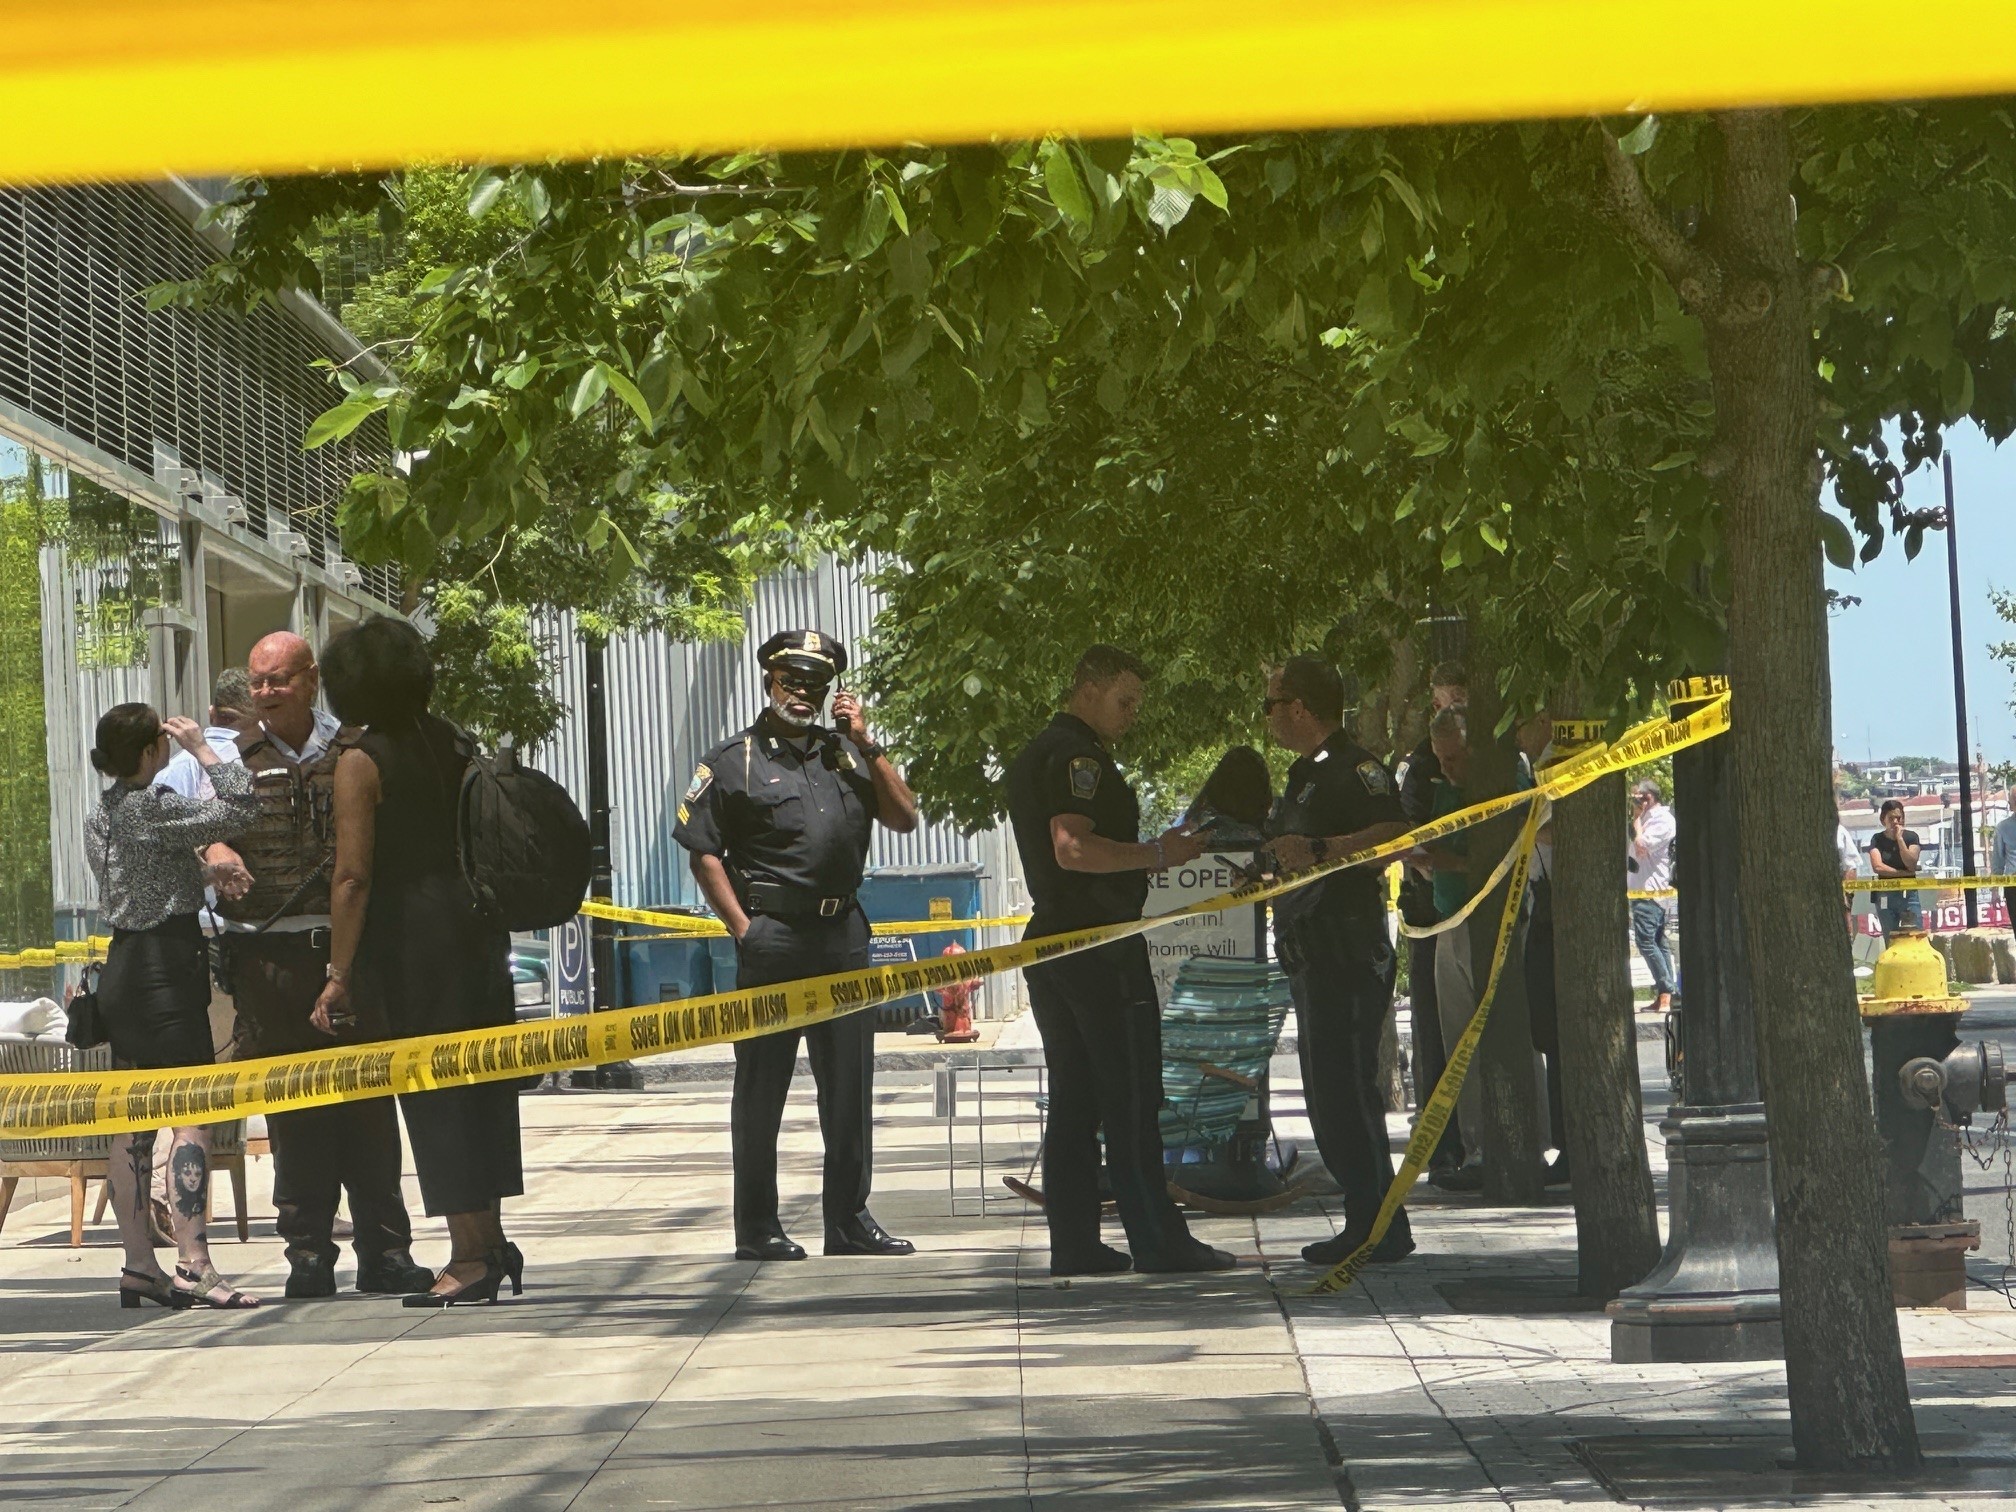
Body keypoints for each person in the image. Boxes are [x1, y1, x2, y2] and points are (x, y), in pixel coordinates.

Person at [674, 629, 922, 1261]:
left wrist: (868, 743)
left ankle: (847, 1219)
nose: (804, 693)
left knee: (850, 1085)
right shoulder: (736, 759)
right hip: (774, 939)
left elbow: (904, 817)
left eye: (816, 683)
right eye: (792, 680)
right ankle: (757, 1226)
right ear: (769, 682)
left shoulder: (847, 755)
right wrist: (743, 929)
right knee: (763, 1087)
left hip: (842, 935)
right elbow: (704, 852)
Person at [206, 634, 433, 1300]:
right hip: (268, 960)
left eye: (278, 680)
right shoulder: (226, 756)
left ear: (311, 681)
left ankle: (386, 1250)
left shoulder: (357, 750)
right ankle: (308, 1253)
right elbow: (194, 829)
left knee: (367, 1104)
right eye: (258, 683)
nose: (267, 693)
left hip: (352, 954)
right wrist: (216, 850)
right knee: (292, 1110)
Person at [313, 617, 524, 1307]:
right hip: (480, 931)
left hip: (414, 945)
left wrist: (339, 974)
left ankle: (468, 1257)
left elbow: (353, 877)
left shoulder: (361, 762)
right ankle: (491, 1238)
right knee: (486, 1090)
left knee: (437, 1098)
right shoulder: (456, 741)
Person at [1006, 645, 1235, 1276]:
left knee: (1076, 1103)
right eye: (1124, 699)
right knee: (1132, 1097)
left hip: (1055, 942)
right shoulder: (1078, 757)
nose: (1133, 713)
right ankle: (1159, 1241)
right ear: (1087, 688)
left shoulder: (1037, 753)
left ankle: (1075, 1242)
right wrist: (1158, 854)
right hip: (1099, 943)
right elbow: (1073, 849)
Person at [83, 703, 261, 1309]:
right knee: (191, 1112)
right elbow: (241, 807)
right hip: (166, 969)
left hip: (123, 966)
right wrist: (204, 751)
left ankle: (139, 1265)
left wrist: (201, 876)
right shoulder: (153, 806)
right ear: (151, 752)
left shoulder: (102, 813)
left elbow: (143, 876)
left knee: (133, 1117)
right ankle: (194, 1262)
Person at [1261, 656, 1414, 1267]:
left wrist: (1322, 847)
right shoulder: (1305, 775)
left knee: (1345, 1090)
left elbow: (1399, 835)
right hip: (1311, 949)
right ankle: (1375, 1218)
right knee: (1327, 1092)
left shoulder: (1358, 769)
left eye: (1271, 703)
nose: (1268, 717)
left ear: (1299, 706)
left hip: (1347, 949)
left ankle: (1373, 1223)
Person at [1397, 661, 1467, 1177]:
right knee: (1433, 1032)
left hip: (1473, 905)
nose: (1455, 707)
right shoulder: (1420, 765)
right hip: (1430, 913)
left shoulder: (1490, 752)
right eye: (1448, 699)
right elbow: (1411, 831)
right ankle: (1441, 1144)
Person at [1516, 713, 1568, 1186]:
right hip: (1541, 909)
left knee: (1559, 1036)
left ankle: (1571, 1148)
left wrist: (1521, 827)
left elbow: (1559, 828)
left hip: (1561, 915)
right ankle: (1563, 1145)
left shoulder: (1558, 767)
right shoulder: (1533, 769)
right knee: (1547, 1035)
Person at [1627, 779, 1678, 1011]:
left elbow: (1641, 846)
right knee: (1658, 941)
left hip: (1651, 891)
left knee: (1646, 941)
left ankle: (1668, 989)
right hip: (1642, 889)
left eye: (1636, 797)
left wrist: (1636, 819)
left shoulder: (1662, 820)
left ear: (1648, 797)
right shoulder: (1647, 818)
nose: (1633, 802)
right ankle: (1665, 994)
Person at [1867, 798, 1924, 938]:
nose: (1895, 822)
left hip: (1908, 893)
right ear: (1883, 820)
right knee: (1891, 935)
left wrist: (1900, 839)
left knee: (1914, 933)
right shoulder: (1877, 839)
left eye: (1898, 818)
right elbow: (1878, 866)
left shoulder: (1911, 837)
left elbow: (1911, 862)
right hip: (1885, 894)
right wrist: (1902, 873)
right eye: (1891, 818)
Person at [1992, 810, 2016, 927]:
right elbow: (1998, 862)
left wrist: (1995, 890)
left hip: (2012, 886)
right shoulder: (2002, 827)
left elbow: (1998, 862)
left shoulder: (2002, 827)